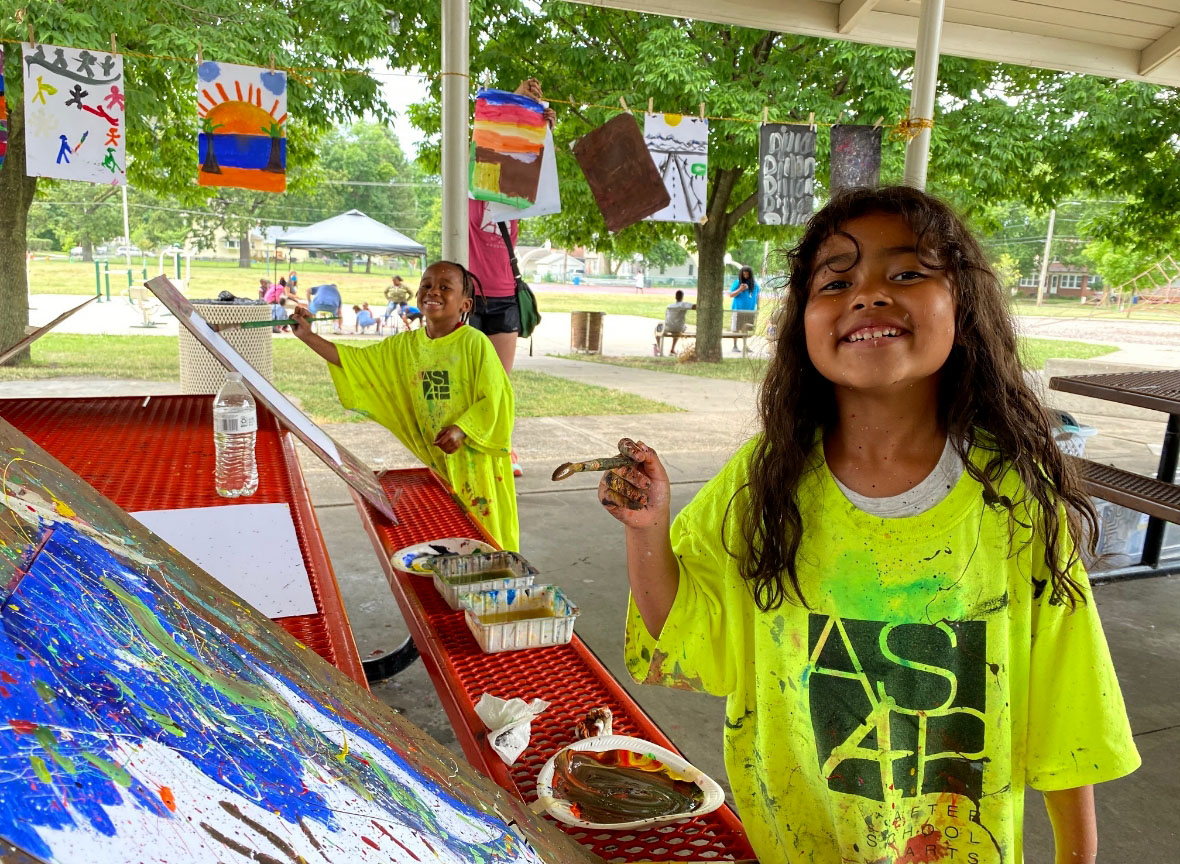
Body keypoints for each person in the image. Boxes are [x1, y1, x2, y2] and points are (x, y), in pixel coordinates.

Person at [598, 186, 1139, 864]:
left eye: (907, 273)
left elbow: (1071, 705)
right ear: (803, 322)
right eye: (838, 280)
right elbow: (689, 639)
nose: (869, 294)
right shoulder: (762, 482)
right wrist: (647, 531)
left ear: (963, 307)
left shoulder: (1013, 500)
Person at [292, 261, 518, 550]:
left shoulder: (474, 343)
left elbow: (498, 398)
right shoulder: (404, 347)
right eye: (426, 285)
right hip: (438, 462)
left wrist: (462, 429)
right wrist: (308, 336)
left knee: (484, 537)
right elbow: (356, 362)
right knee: (451, 537)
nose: (432, 291)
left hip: (476, 464)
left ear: (465, 304)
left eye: (445, 287)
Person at [467, 77, 556, 478]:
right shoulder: (469, 190)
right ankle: (468, 440)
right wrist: (514, 104)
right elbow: (488, 138)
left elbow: (531, 161)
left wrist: (539, 129)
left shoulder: (517, 197)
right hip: (467, 298)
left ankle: (502, 445)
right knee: (467, 378)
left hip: (503, 296)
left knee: (499, 381)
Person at [728, 265, 759, 352]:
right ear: (741, 274)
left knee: (746, 329)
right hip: (738, 310)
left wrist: (758, 307)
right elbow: (731, 295)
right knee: (736, 328)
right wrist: (740, 289)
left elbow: (757, 296)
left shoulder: (755, 285)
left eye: (747, 274)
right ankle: (735, 346)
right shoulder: (737, 283)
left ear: (750, 275)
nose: (745, 276)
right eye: (744, 274)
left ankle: (745, 346)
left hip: (749, 311)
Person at [660, 289, 695, 355]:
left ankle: (659, 349)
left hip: (668, 327)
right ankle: (672, 349)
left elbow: (666, 316)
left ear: (675, 297)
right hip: (679, 328)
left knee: (657, 331)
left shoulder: (669, 306)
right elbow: (695, 306)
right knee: (679, 329)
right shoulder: (684, 305)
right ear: (682, 297)